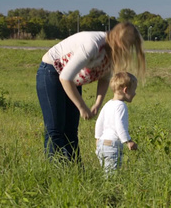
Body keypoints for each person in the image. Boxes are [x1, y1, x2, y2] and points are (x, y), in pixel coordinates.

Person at [36, 22, 145, 162]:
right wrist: (82, 107)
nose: (127, 51)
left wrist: (97, 104)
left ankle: (75, 171)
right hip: (51, 73)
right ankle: (53, 170)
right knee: (55, 129)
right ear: (118, 41)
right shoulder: (92, 45)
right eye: (126, 47)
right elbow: (65, 78)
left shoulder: (112, 52)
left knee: (70, 130)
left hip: (72, 81)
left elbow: (105, 78)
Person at [95, 72, 138, 172]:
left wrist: (98, 139)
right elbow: (120, 126)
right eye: (134, 90)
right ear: (125, 90)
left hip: (102, 144)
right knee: (112, 176)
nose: (135, 93)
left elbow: (99, 122)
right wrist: (128, 141)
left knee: (106, 172)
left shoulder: (108, 104)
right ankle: (109, 187)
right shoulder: (121, 106)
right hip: (112, 146)